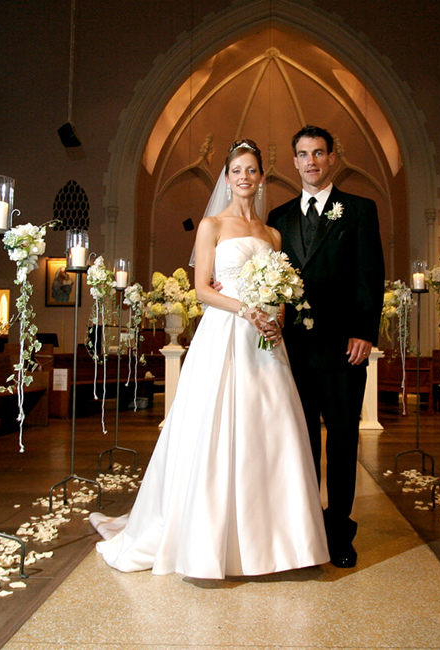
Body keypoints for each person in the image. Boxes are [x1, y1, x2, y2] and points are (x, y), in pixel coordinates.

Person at [89, 139, 329, 579]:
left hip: (266, 340)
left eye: (252, 170)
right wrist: (247, 310)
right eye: (236, 170)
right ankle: (210, 539)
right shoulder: (211, 225)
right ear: (227, 177)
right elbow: (202, 290)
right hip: (226, 334)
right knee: (216, 428)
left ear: (260, 178)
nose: (244, 177)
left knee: (271, 430)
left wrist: (276, 316)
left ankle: (280, 542)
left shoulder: (272, 233)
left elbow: (282, 290)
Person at [267, 125, 385, 568]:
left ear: (332, 158)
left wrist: (364, 331)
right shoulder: (278, 218)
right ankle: (306, 529)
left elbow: (369, 276)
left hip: (342, 346)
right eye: (303, 154)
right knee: (300, 442)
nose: (311, 161)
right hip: (292, 348)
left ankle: (339, 530)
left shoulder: (359, 210)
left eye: (319, 152)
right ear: (293, 162)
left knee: (341, 439)